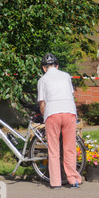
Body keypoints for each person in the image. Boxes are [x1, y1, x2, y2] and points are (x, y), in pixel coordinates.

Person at [37, 53, 82, 189]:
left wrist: (45, 118)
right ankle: (73, 180)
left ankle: (55, 182)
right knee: (69, 148)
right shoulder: (66, 76)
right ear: (57, 66)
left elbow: (42, 104)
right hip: (69, 112)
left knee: (53, 150)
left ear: (44, 68)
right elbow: (70, 95)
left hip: (52, 113)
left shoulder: (42, 80)